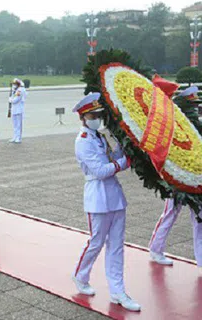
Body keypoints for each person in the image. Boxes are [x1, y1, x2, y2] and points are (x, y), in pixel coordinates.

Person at [71, 93, 140, 312]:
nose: (97, 119)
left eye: (98, 115)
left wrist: (124, 147)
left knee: (117, 245)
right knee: (96, 242)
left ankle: (118, 291)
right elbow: (100, 171)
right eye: (93, 115)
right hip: (97, 197)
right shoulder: (82, 141)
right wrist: (122, 163)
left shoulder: (100, 136)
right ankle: (81, 276)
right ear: (83, 117)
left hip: (115, 196)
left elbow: (113, 159)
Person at [148, 86, 202, 267]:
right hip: (176, 176)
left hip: (196, 176)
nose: (195, 109)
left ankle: (201, 258)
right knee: (171, 212)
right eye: (192, 105)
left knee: (199, 218)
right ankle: (156, 249)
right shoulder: (175, 122)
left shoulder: (194, 122)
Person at [9, 78, 27, 144]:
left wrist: (10, 100)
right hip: (14, 109)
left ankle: (18, 138)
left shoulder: (20, 90)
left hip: (19, 110)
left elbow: (16, 100)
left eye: (15, 84)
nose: (13, 85)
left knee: (18, 125)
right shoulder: (16, 90)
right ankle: (15, 137)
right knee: (15, 124)